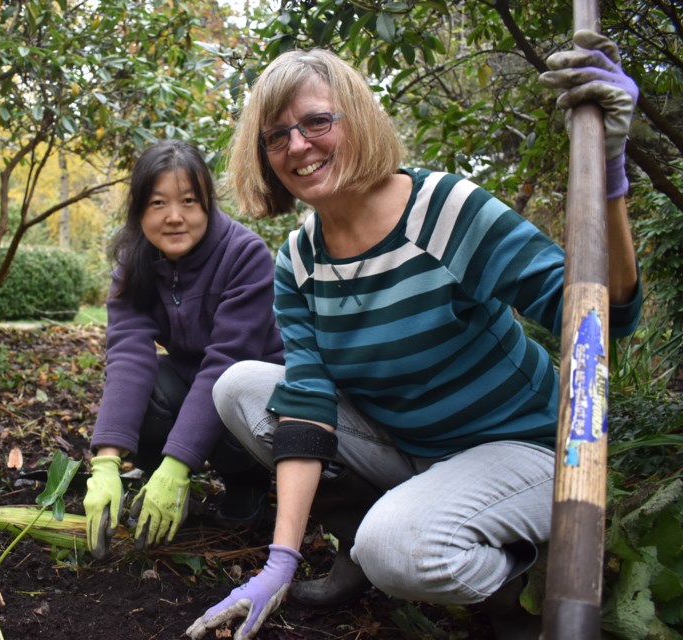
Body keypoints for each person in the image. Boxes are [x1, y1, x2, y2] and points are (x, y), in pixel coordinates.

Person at [186, 30, 642, 640]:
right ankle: (360, 543)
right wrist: (279, 563)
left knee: (397, 550)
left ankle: (517, 587)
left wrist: (608, 169)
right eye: (276, 136)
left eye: (316, 121)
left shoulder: (444, 210)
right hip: (411, 450)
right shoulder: (298, 261)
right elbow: (308, 409)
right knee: (242, 385)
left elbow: (601, 316)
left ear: (358, 120)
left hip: (531, 451)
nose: (297, 146)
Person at [83, 140, 285, 560]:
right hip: (192, 376)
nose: (174, 217)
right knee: (150, 384)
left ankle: (245, 482)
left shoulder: (244, 254)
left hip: (251, 387)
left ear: (207, 204)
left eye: (188, 201)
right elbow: (128, 355)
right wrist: (105, 462)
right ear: (140, 210)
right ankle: (161, 481)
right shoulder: (135, 261)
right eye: (158, 203)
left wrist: (182, 462)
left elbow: (227, 362)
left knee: (233, 391)